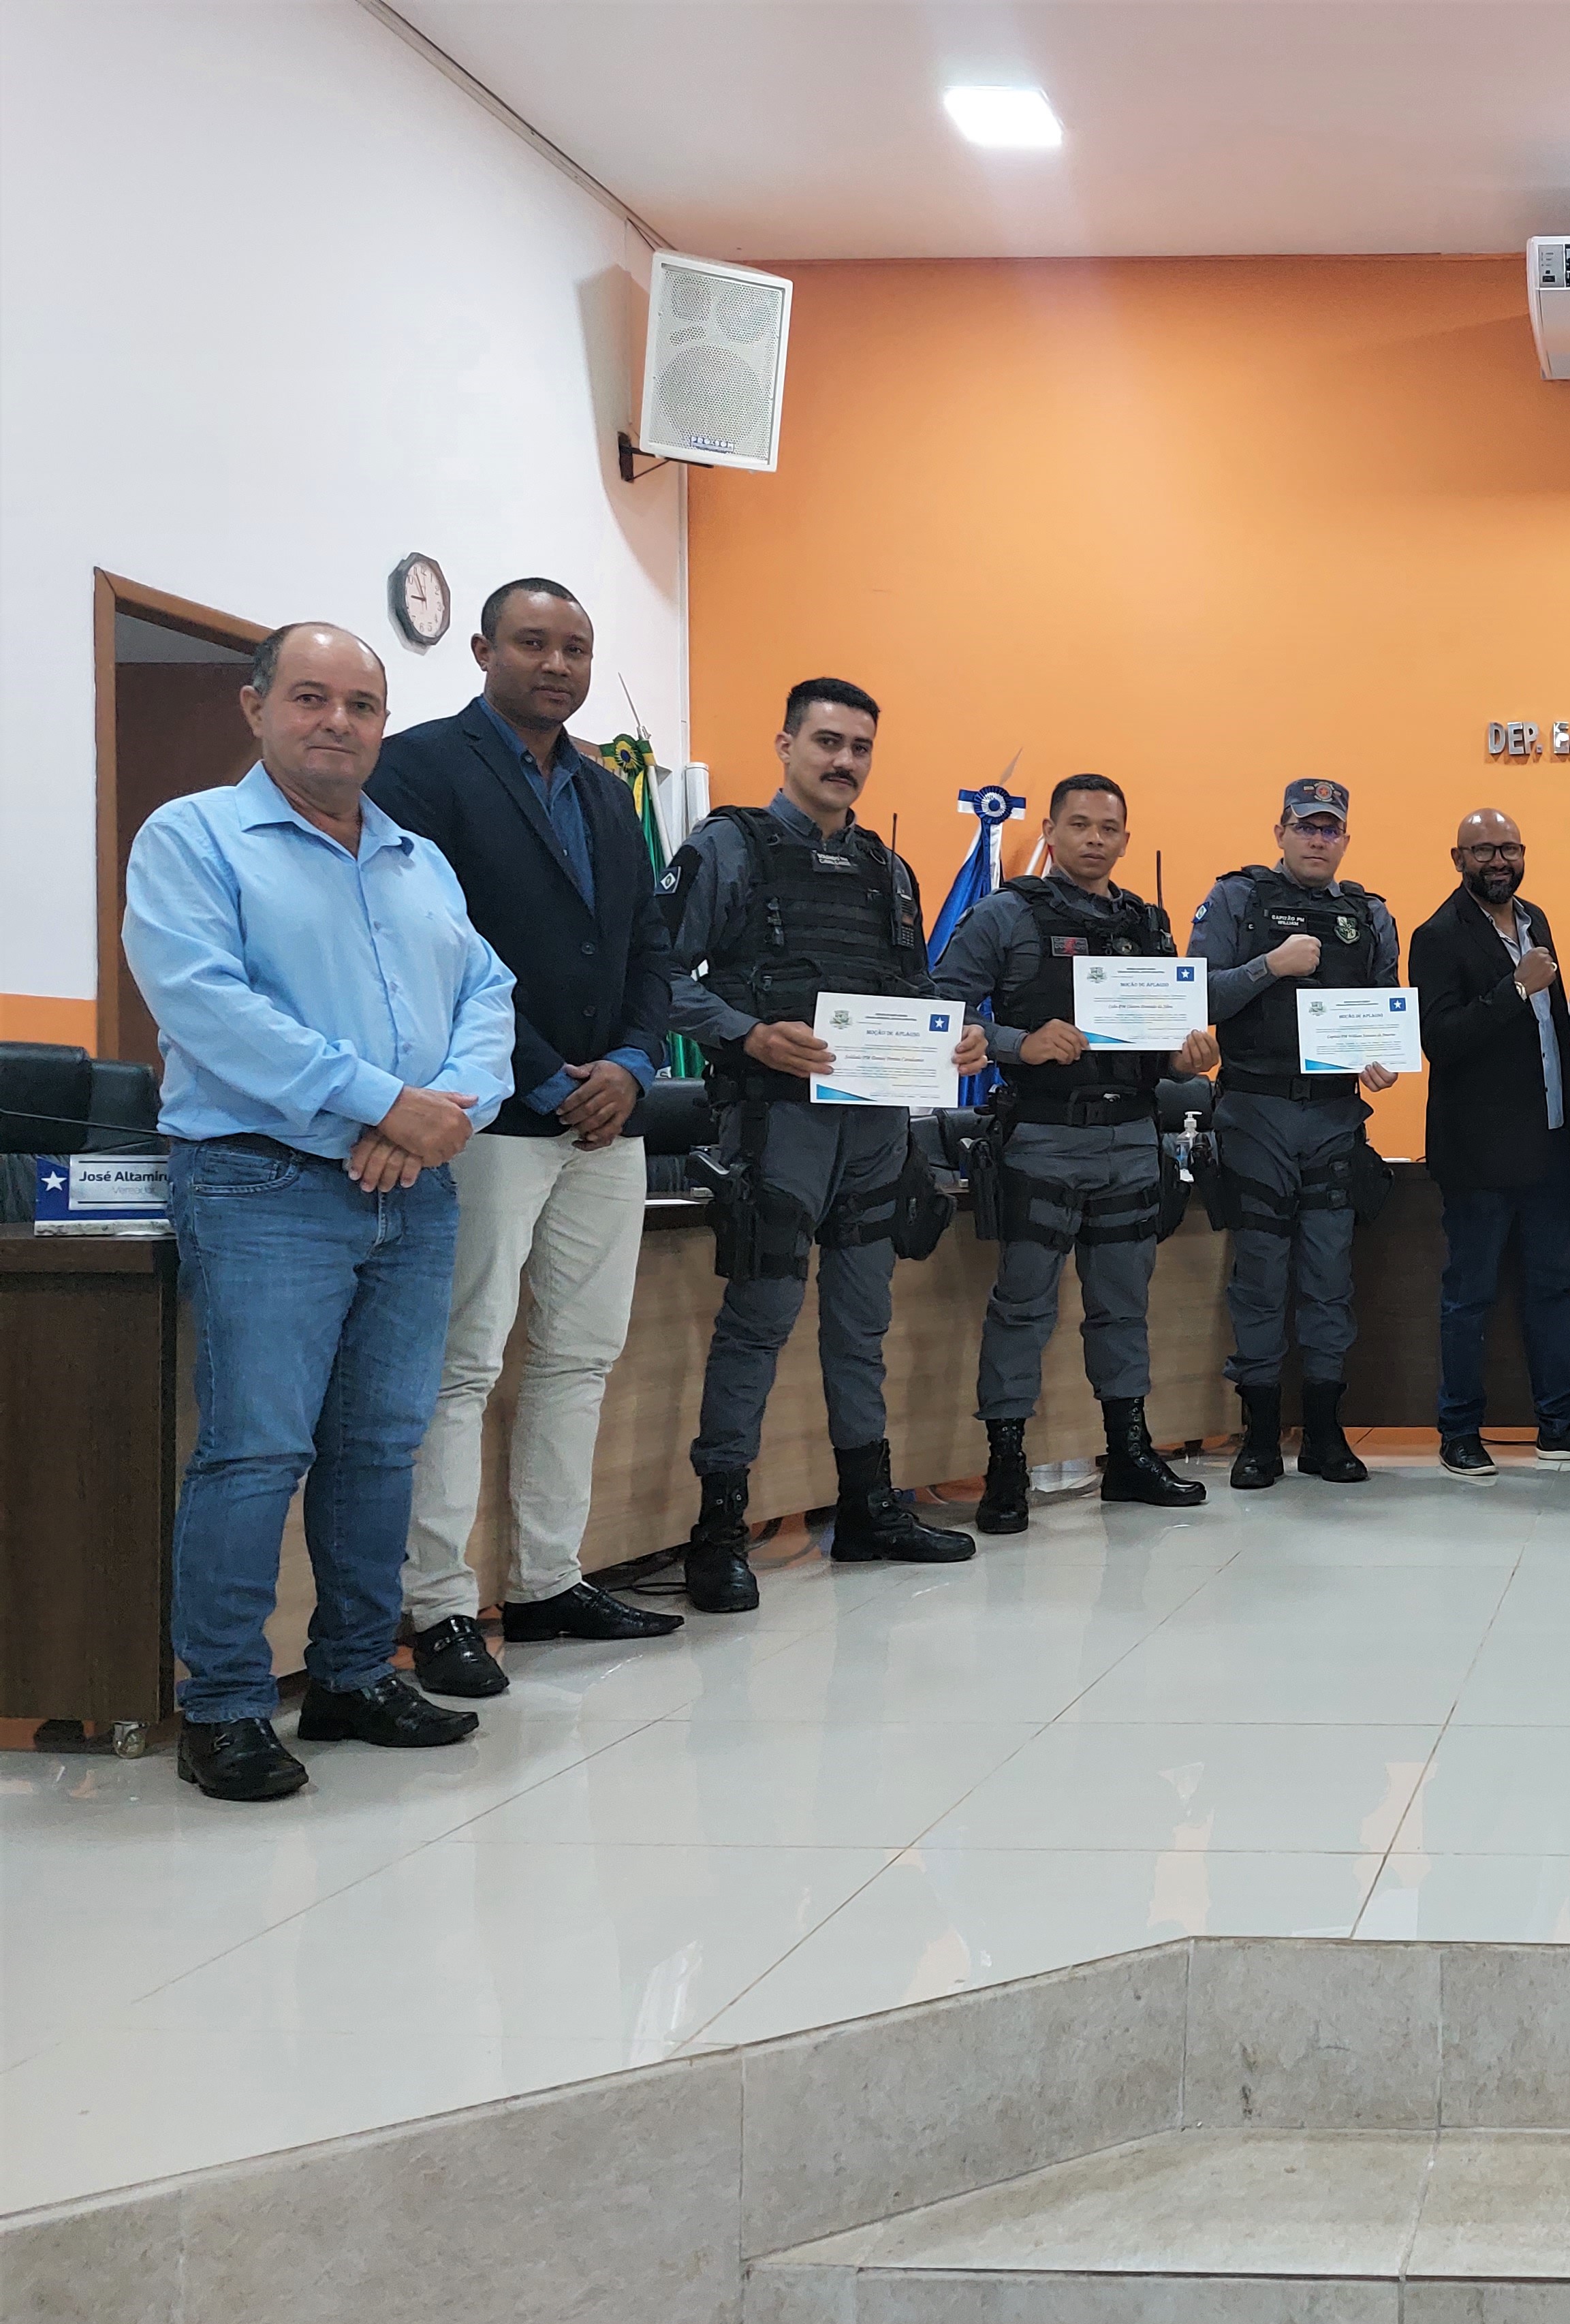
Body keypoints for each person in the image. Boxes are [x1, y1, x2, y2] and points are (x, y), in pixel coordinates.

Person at [121, 623, 514, 1800]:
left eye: (361, 703)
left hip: (415, 1190)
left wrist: (442, 1112)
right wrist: (381, 1102)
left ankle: (350, 1674)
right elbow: (207, 1005)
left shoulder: (417, 859)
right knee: (257, 1448)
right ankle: (226, 1705)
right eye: (309, 697)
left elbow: (487, 994)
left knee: (379, 1446)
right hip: (263, 1184)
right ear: (255, 708)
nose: (337, 721)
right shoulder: (192, 838)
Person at [364, 578, 684, 1700]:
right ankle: (440, 1604)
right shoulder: (419, 767)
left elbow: (649, 944)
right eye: (534, 643)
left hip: (606, 1119)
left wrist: (633, 1064)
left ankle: (548, 1580)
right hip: (487, 1115)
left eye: (576, 648)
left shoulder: (604, 790)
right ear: (482, 649)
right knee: (461, 1365)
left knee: (579, 1355)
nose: (557, 664)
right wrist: (545, 1074)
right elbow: (433, 944)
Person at [657, 677, 984, 1612]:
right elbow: (660, 972)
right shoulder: (729, 847)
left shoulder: (890, 870)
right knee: (759, 1320)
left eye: (860, 748)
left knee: (862, 1321)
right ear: (786, 745)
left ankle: (869, 1508)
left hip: (873, 1126)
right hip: (777, 1121)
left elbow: (915, 989)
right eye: (827, 742)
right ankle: (719, 1530)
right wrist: (747, 1034)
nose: (844, 761)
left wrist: (955, 1038)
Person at [932, 771, 1219, 1532]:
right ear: (1051, 833)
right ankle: (1005, 1468)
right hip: (1044, 1137)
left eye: (1109, 828)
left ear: (1126, 839)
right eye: (1080, 825)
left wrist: (1184, 1060)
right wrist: (1015, 1042)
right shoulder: (1005, 915)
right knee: (1022, 1308)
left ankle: (1128, 1455)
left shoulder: (1147, 924)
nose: (1095, 839)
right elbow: (937, 1007)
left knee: (1123, 1308)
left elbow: (1160, 1044)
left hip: (1132, 1137)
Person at [1189, 777, 1402, 1488]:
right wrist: (1269, 966)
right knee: (1258, 1274)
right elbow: (1194, 994)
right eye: (1305, 826)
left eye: (1329, 829)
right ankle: (1257, 1437)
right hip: (1255, 1112)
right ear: (1280, 831)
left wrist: (1381, 1061)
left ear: (1345, 839)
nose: (1317, 839)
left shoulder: (1369, 915)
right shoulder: (1237, 899)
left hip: (1334, 1116)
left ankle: (1324, 1434)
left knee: (1329, 1276)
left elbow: (1384, 1009)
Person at [1411, 808, 1570, 1477]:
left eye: (1508, 848)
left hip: (1553, 1148)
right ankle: (1458, 1430)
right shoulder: (1436, 936)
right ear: (1458, 860)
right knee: (1469, 1297)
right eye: (1483, 851)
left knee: (1553, 1292)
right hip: (1478, 1156)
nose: (1498, 861)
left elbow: (1556, 1041)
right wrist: (1513, 988)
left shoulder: (1536, 921)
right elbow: (1439, 1040)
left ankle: (1560, 1424)